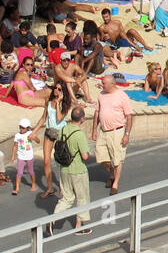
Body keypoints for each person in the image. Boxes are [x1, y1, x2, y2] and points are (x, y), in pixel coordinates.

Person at [50, 105, 93, 235]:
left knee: (67, 198)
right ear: (82, 119)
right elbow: (85, 156)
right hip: (78, 170)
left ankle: (52, 219)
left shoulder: (63, 130)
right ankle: (79, 226)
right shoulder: (79, 134)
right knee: (82, 198)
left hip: (64, 169)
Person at [93, 73, 134, 192]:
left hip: (117, 131)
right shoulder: (101, 95)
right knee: (101, 157)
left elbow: (129, 116)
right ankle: (111, 172)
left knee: (117, 159)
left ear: (112, 84)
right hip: (104, 130)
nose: (102, 85)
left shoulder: (122, 96)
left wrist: (127, 134)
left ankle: (115, 183)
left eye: (104, 83)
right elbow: (97, 112)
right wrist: (94, 130)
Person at [12, 118, 38, 195]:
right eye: (20, 127)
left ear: (27, 128)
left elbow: (38, 141)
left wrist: (34, 137)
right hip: (21, 156)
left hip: (29, 156)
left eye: (23, 128)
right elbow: (15, 146)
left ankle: (33, 183)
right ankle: (17, 188)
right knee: (19, 173)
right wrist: (13, 156)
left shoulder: (30, 133)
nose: (21, 129)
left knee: (31, 171)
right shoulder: (17, 135)